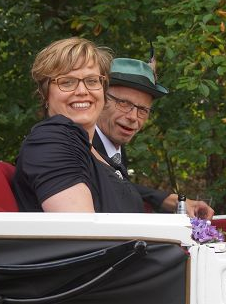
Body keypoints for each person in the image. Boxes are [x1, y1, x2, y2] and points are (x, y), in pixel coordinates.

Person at [12, 37, 145, 212]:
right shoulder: (51, 141)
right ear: (45, 94)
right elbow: (79, 227)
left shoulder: (96, 153)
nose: (82, 91)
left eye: (92, 81)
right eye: (67, 82)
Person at [93, 57, 214, 219]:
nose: (133, 117)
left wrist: (171, 200)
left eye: (143, 110)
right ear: (99, 99)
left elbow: (119, 185)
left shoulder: (114, 143)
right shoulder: (77, 145)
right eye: (124, 103)